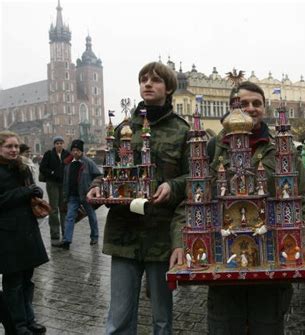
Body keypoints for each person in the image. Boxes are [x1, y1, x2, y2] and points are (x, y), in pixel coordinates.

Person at [175, 81, 305, 334]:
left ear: (264, 108)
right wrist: (181, 242)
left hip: (271, 269)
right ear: (233, 109)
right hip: (225, 274)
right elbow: (189, 202)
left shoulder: (281, 147)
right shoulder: (213, 148)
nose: (251, 108)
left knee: (268, 326)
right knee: (224, 327)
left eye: (257, 103)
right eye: (244, 103)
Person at [87, 61, 189, 334]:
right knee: (119, 318)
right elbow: (109, 170)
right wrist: (98, 185)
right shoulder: (122, 129)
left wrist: (172, 186)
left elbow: (194, 177)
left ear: (168, 88)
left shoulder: (182, 131)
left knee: (162, 318)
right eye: (143, 79)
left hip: (161, 235)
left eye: (155, 80)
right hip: (124, 233)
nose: (147, 84)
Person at [0, 130, 49, 335]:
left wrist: (35, 191)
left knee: (27, 280)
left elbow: (30, 190)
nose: (13, 150)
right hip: (6, 234)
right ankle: (18, 324)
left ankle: (29, 320)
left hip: (27, 230)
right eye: (9, 146)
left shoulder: (23, 167)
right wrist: (25, 192)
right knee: (13, 283)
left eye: (16, 146)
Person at [54, 139, 102, 250]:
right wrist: (66, 195)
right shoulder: (68, 164)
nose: (75, 153)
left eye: (78, 150)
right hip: (73, 196)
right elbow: (66, 180)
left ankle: (94, 237)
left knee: (91, 215)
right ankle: (66, 241)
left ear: (81, 151)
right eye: (73, 150)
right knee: (70, 217)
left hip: (86, 195)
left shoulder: (88, 162)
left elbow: (98, 175)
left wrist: (92, 187)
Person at [39, 135, 69, 246]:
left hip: (63, 183)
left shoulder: (67, 154)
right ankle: (55, 233)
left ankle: (66, 231)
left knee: (63, 208)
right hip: (52, 183)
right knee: (53, 208)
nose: (59, 145)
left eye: (61, 143)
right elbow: (42, 167)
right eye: (57, 143)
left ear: (63, 144)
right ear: (54, 144)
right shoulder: (48, 154)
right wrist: (52, 172)